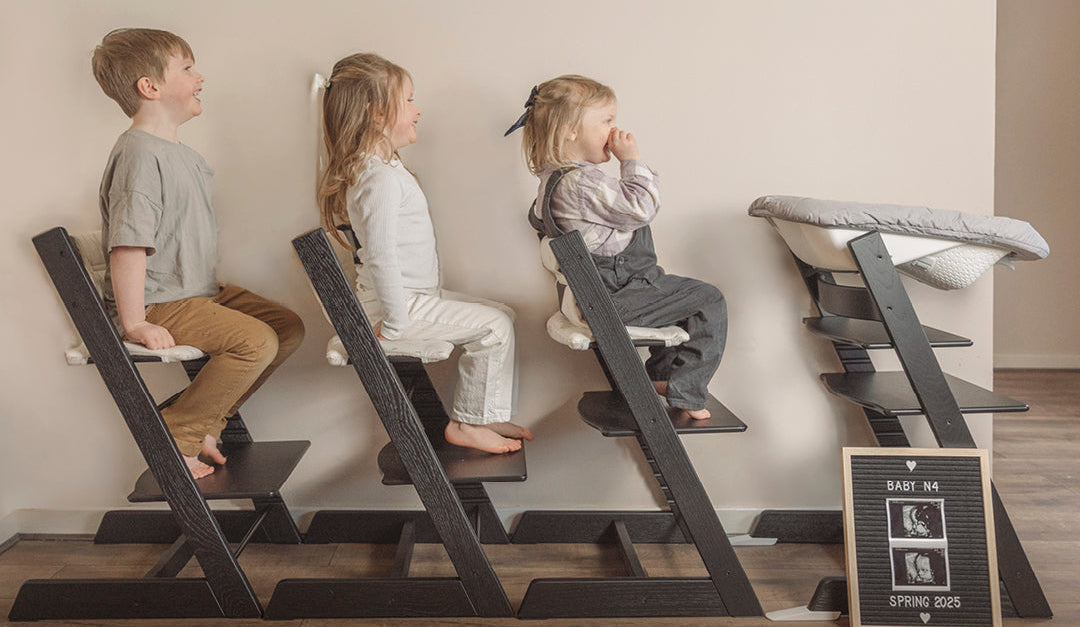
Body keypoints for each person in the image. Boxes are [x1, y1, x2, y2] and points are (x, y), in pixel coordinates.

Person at [92, 28, 304, 479]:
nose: (199, 77)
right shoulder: (137, 155)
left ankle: (207, 421)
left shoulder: (178, 153)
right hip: (161, 300)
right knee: (255, 341)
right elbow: (127, 245)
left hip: (197, 291)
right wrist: (135, 322)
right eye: (187, 69)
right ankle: (178, 432)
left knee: (285, 327)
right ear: (149, 88)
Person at [316, 53, 530, 454]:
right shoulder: (376, 178)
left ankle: (485, 411)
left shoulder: (385, 168)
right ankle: (467, 424)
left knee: (504, 314)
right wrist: (394, 325)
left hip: (412, 299)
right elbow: (380, 257)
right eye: (409, 100)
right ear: (377, 114)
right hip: (395, 307)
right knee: (494, 329)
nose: (418, 110)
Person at [509, 75, 727, 420]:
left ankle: (660, 378)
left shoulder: (552, 180)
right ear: (570, 131)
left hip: (594, 296)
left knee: (678, 296)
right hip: (613, 298)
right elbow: (642, 207)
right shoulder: (582, 182)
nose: (614, 130)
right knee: (708, 299)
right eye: (606, 121)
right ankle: (687, 392)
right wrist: (632, 160)